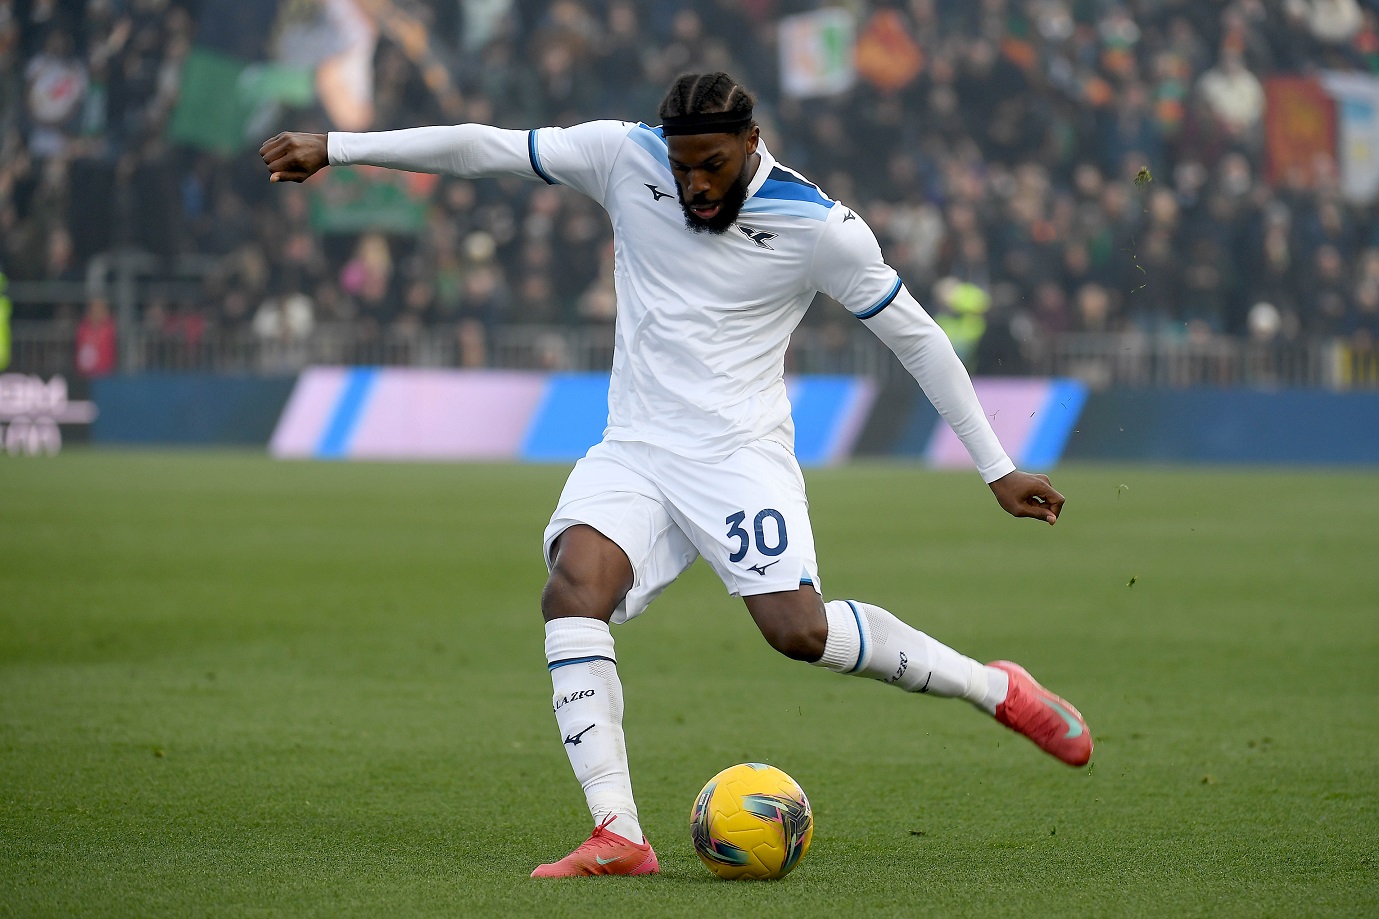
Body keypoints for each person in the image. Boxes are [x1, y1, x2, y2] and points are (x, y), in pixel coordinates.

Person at [260, 71, 1093, 879]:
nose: (694, 183)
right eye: (682, 164)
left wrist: (996, 464)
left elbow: (916, 336)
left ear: (750, 142)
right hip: (636, 448)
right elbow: (484, 147)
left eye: (713, 165)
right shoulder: (624, 155)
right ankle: (617, 832)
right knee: (571, 591)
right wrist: (337, 146)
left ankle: (994, 687)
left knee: (798, 632)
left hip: (740, 457)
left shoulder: (818, 226)